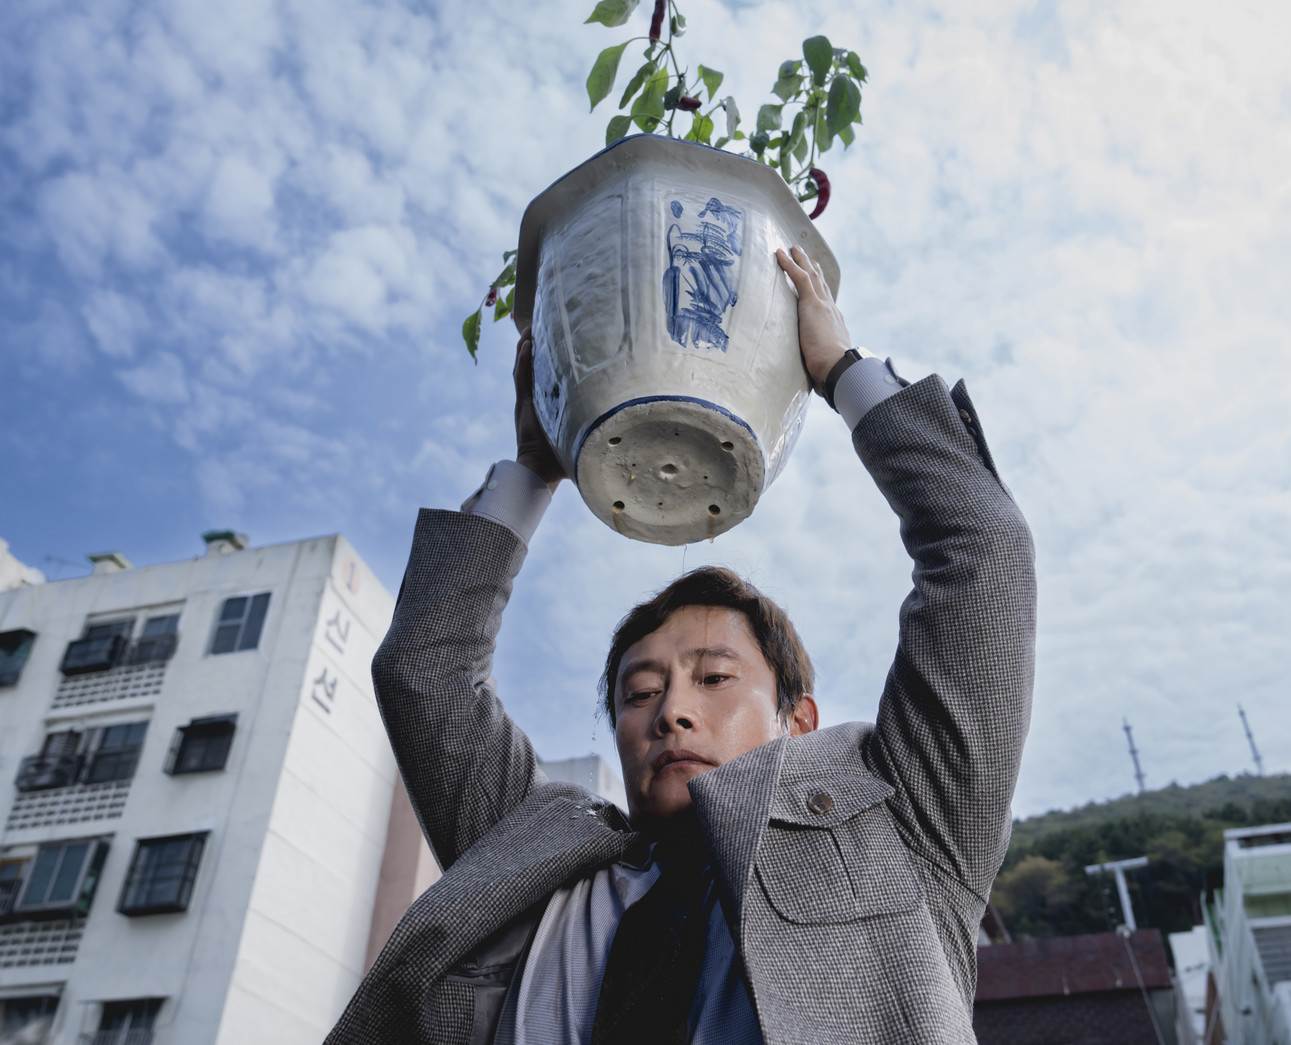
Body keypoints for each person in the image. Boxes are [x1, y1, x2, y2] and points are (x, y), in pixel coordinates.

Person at [327, 246, 1036, 1045]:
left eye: (714, 678)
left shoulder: (906, 820)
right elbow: (424, 670)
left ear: (796, 720)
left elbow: (982, 550)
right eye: (639, 692)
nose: (670, 712)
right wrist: (533, 467)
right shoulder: (528, 854)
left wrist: (839, 368)